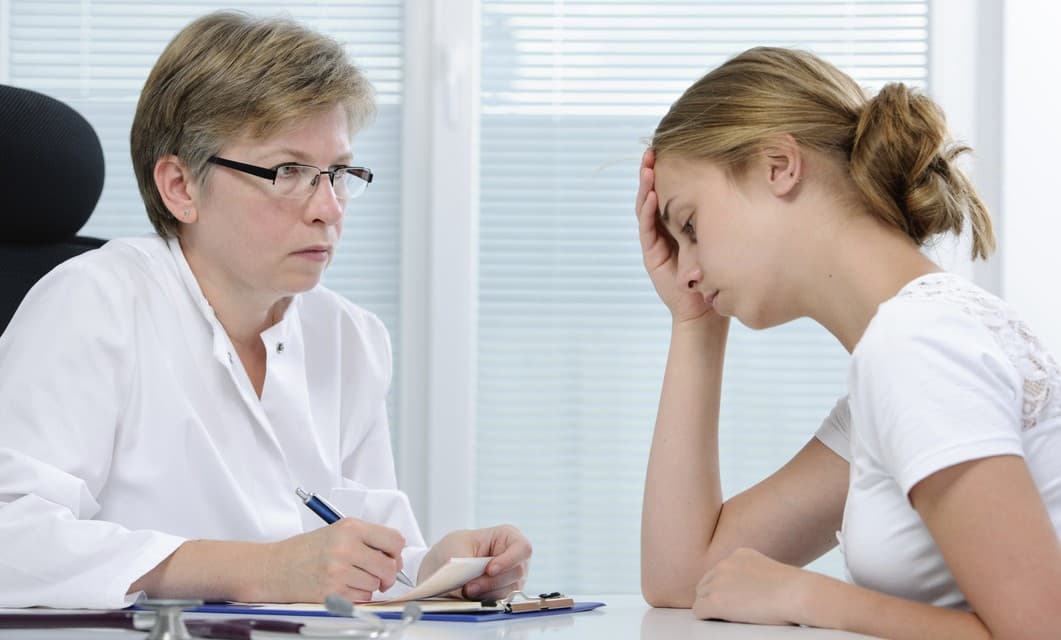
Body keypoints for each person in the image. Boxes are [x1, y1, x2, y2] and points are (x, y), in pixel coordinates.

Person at [0, 11, 530, 609]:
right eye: (290, 171)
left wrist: (430, 567)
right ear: (181, 186)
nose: (328, 208)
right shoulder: (93, 303)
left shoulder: (348, 337)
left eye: (339, 173)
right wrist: (256, 569)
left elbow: (349, 554)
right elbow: (10, 540)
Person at [637, 47, 1061, 639]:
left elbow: (1038, 633)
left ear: (779, 164)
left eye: (689, 226)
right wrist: (694, 323)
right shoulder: (905, 355)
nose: (685, 268)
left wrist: (807, 595)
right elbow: (684, 577)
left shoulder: (918, 348)